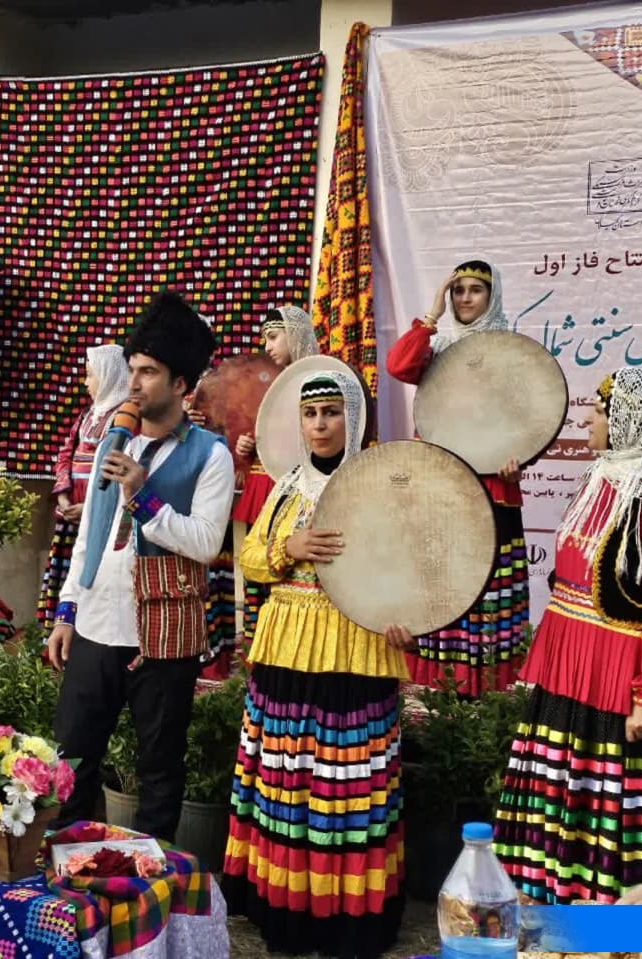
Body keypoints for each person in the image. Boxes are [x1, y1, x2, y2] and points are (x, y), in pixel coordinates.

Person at [494, 368, 642, 903]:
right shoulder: (605, 479)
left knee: (614, 808)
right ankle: (557, 915)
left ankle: (615, 929)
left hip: (626, 683)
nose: (590, 420)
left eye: (599, 411)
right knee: (569, 800)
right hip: (576, 672)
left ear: (626, 422)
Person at [221, 370, 410, 959]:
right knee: (288, 773)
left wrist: (409, 614)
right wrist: (288, 548)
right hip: (287, 645)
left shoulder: (380, 483)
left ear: (353, 418)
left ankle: (347, 914)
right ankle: (287, 906)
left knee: (345, 780)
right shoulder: (286, 486)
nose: (321, 424)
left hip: (358, 645)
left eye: (331, 412)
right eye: (311, 414)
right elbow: (250, 558)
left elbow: (411, 560)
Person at [48, 291, 232, 841]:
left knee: (159, 769)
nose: (133, 384)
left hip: (164, 633)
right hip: (98, 620)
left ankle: (152, 891)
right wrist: (66, 610)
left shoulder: (212, 454)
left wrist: (143, 494)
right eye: (131, 370)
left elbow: (204, 542)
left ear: (181, 385)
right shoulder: (112, 438)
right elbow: (91, 533)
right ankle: (72, 869)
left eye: (148, 372)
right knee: (72, 759)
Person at [385, 259, 528, 695]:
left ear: (492, 296)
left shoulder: (513, 353)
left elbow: (530, 420)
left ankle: (485, 693)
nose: (465, 298)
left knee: (484, 590)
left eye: (475, 290)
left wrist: (518, 458)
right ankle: (433, 686)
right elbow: (398, 366)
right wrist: (431, 315)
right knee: (438, 581)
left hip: (491, 489)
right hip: (439, 486)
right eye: (457, 290)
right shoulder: (439, 347)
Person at [230, 306, 322, 656]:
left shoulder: (320, 378)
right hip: (265, 487)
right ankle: (261, 650)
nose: (267, 346)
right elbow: (263, 441)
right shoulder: (266, 387)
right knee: (260, 570)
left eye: (273, 336)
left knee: (298, 572)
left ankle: (299, 649)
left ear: (295, 334)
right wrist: (247, 447)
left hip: (303, 490)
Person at [37, 344, 129, 629]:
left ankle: (86, 632)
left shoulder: (122, 419)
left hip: (100, 513)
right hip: (71, 512)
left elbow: (117, 468)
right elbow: (65, 455)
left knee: (94, 570)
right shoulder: (88, 416)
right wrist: (64, 499)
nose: (86, 383)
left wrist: (88, 506)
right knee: (67, 573)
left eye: (91, 376)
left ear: (109, 375)